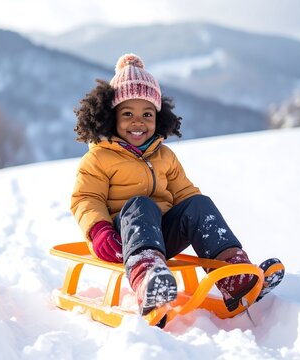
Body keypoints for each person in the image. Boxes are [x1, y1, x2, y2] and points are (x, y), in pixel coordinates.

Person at [70, 53, 283, 317]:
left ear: (158, 119)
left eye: (147, 114)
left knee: (198, 203)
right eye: (127, 114)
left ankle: (233, 275)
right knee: (141, 204)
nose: (138, 122)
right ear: (110, 117)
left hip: (163, 235)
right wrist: (99, 231)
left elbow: (185, 193)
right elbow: (85, 198)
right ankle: (147, 278)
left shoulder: (165, 156)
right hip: (122, 240)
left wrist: (196, 212)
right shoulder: (99, 157)